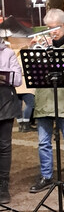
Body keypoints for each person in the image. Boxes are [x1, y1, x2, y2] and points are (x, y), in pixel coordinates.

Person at [29, 9, 64, 194]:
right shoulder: (42, 46)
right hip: (44, 99)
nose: (52, 32)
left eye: (56, 28)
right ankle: (46, 176)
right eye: (49, 28)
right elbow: (32, 72)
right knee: (43, 142)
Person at [0, 38, 22, 203]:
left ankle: (3, 185)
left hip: (5, 101)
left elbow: (18, 80)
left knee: (4, 146)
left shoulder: (7, 53)